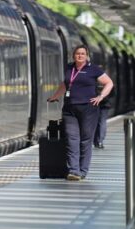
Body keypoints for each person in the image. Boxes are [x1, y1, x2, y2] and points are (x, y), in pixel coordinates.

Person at [47, 45, 113, 181]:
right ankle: (73, 171)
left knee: (85, 140)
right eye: (78, 53)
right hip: (69, 109)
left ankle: (82, 171)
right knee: (72, 139)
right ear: (73, 55)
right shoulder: (69, 68)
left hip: (88, 109)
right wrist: (56, 96)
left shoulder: (94, 69)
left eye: (83, 54)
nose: (80, 56)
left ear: (87, 55)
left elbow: (109, 83)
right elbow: (65, 85)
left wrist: (101, 97)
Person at [94, 81, 113, 149]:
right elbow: (112, 93)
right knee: (102, 122)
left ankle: (95, 140)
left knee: (94, 121)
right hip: (105, 104)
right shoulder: (108, 81)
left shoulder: (92, 79)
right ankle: (100, 141)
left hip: (94, 103)